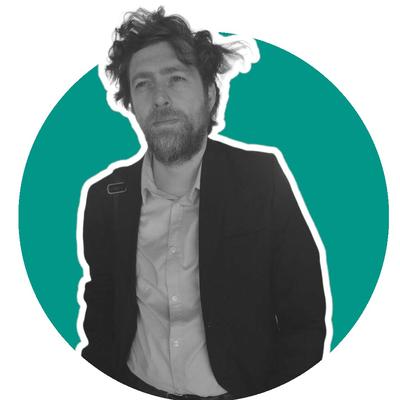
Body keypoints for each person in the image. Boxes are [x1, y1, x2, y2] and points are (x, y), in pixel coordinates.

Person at [80, 6, 327, 399]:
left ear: (210, 94)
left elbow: (304, 317)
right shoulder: (105, 196)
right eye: (142, 84)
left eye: (176, 78)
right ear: (131, 104)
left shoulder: (261, 179)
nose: (160, 98)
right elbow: (102, 305)